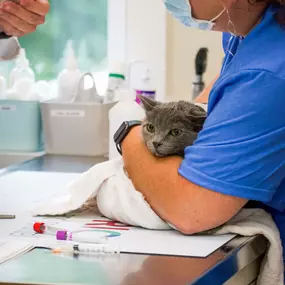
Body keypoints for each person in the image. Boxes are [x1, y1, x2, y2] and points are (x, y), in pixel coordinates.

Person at [120, 0, 285, 264]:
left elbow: (191, 211)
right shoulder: (246, 29)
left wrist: (127, 133)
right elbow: (229, 86)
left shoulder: (269, 72)